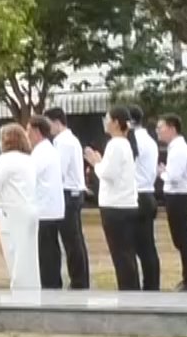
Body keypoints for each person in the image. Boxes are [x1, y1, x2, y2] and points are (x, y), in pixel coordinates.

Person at [85, 106, 142, 290]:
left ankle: (128, 290)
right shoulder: (124, 144)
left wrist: (96, 163)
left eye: (107, 118)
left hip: (115, 206)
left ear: (116, 122)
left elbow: (108, 173)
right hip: (125, 204)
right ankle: (130, 288)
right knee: (126, 253)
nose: (105, 122)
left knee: (121, 254)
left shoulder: (116, 144)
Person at [0, 123, 39, 290]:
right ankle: (31, 291)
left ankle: (20, 292)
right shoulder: (28, 159)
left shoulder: (6, 159)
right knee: (29, 257)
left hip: (11, 212)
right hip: (28, 210)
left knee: (14, 255)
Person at [45, 108, 91, 289]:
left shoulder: (62, 142)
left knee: (71, 240)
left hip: (68, 192)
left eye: (49, 124)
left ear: (57, 122)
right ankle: (80, 279)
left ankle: (79, 280)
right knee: (75, 239)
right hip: (73, 192)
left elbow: (59, 171)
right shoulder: (69, 140)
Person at [158, 114, 187, 291]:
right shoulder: (175, 148)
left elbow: (173, 177)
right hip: (176, 196)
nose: (158, 131)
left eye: (161, 128)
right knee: (180, 240)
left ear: (172, 128)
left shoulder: (179, 149)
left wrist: (162, 173)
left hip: (179, 197)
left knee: (183, 240)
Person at [29, 115, 69, 289]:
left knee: (46, 253)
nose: (26, 134)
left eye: (28, 130)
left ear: (37, 131)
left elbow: (30, 176)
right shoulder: (47, 150)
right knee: (49, 250)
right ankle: (52, 283)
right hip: (49, 208)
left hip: (44, 210)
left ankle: (50, 285)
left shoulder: (42, 152)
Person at [128, 107, 162, 291]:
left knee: (139, 247)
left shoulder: (134, 140)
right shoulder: (149, 139)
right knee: (147, 246)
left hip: (138, 195)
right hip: (147, 193)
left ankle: (147, 286)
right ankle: (151, 284)